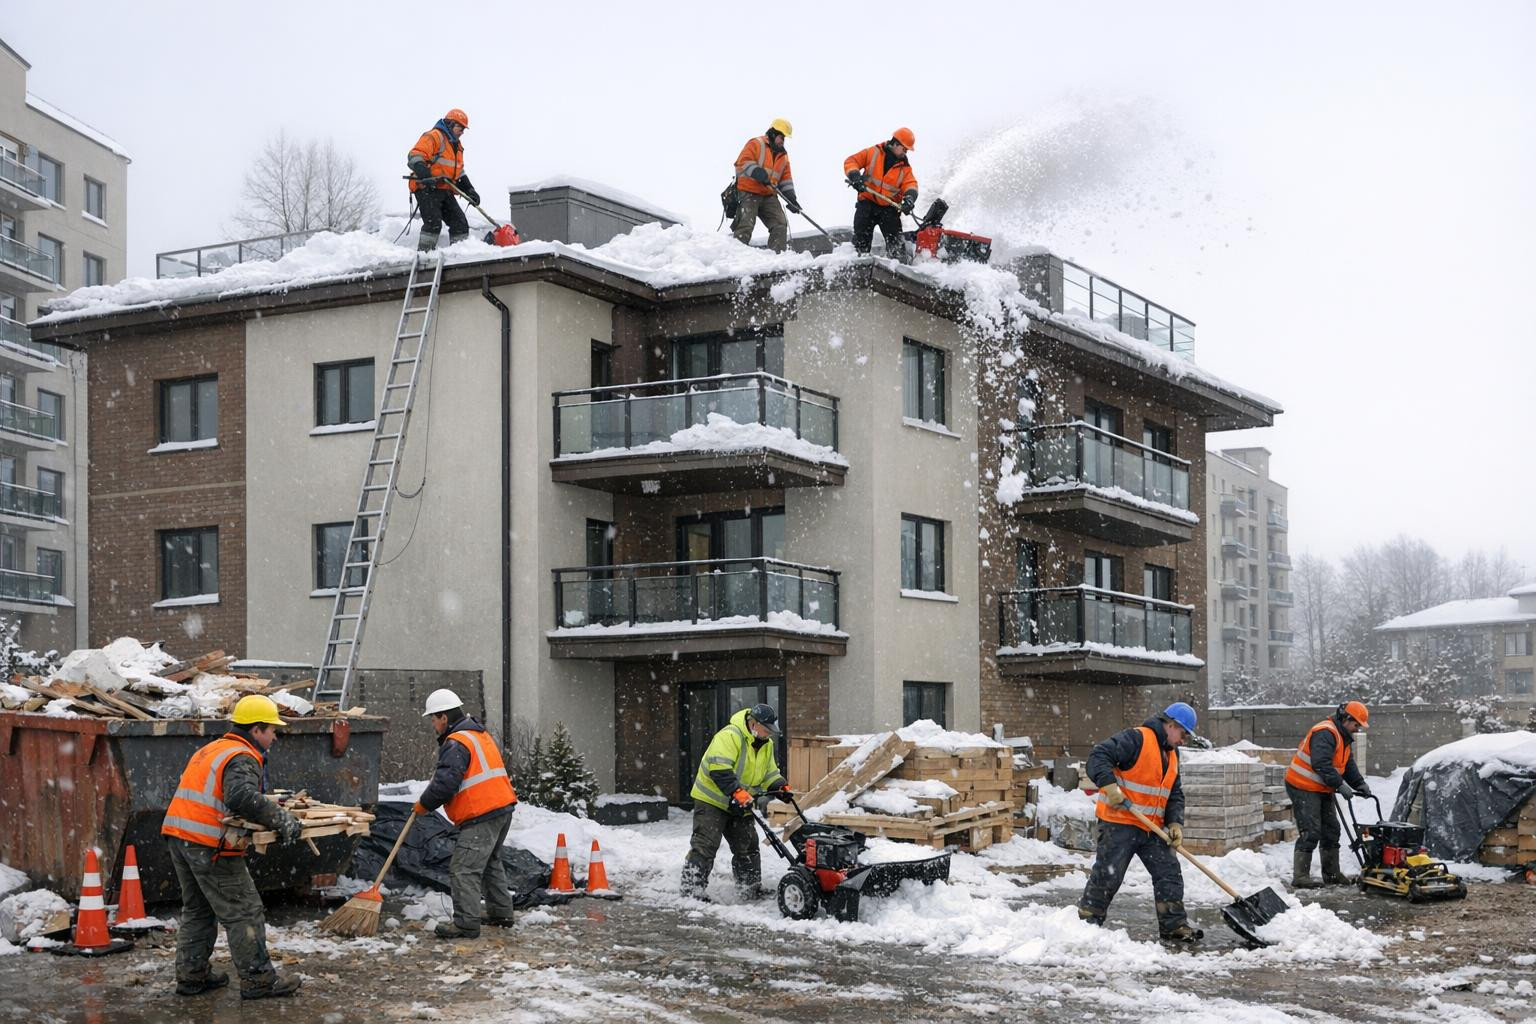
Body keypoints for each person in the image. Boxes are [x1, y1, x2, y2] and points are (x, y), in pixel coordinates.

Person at [160, 695, 305, 999]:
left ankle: (191, 976)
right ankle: (258, 981)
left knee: (198, 910)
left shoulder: (214, 748)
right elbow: (239, 797)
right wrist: (281, 819)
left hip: (180, 836)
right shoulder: (242, 755)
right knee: (244, 912)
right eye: (272, 729)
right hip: (208, 844)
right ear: (256, 730)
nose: (276, 736)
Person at [1077, 702, 1203, 943]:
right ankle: (1087, 922)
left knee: (1169, 873)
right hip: (1119, 822)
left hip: (1150, 827)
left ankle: (1174, 925)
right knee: (1108, 875)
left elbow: (1174, 792)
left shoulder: (1171, 754)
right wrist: (1109, 785)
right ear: (1170, 725)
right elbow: (1098, 756)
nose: (1184, 740)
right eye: (1183, 733)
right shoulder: (1136, 739)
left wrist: (1175, 822)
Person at [413, 688, 519, 938]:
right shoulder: (478, 735)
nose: (433, 724)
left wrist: (424, 805)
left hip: (481, 813)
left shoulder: (457, 742)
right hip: (501, 809)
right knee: (490, 863)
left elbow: (445, 784)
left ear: (444, 718)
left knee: (463, 869)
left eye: (433, 718)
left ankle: (466, 924)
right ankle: (501, 912)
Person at [680, 703, 791, 901]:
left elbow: (769, 773)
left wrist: (780, 787)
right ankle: (692, 890)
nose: (769, 735)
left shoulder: (766, 744)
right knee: (705, 844)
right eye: (766, 730)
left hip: (740, 801)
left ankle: (750, 888)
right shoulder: (730, 735)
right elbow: (719, 769)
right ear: (754, 724)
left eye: (771, 731)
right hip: (712, 800)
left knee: (747, 845)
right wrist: (737, 792)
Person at [1285, 700, 1372, 888]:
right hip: (1302, 785)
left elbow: (1346, 764)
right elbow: (1321, 764)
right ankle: (1300, 877)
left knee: (1332, 830)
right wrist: (1340, 785)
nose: (1358, 729)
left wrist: (1359, 783)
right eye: (1356, 725)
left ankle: (1332, 875)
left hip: (1321, 787)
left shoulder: (1343, 736)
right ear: (1346, 719)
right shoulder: (1325, 732)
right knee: (1311, 830)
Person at [407, 108, 479, 251]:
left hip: (445, 189)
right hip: (427, 188)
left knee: (460, 223)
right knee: (433, 223)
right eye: (460, 127)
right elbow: (414, 155)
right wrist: (424, 173)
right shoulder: (434, 136)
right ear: (450, 123)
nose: (462, 132)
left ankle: (458, 256)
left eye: (464, 129)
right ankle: (424, 257)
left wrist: (470, 189)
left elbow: (459, 172)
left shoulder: (457, 147)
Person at [843, 127, 918, 259]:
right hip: (866, 205)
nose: (905, 152)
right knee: (860, 245)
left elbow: (911, 185)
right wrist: (855, 176)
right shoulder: (873, 152)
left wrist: (909, 199)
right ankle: (860, 269)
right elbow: (851, 161)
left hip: (889, 210)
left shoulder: (905, 169)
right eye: (904, 149)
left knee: (897, 249)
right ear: (895, 143)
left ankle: (898, 272)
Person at [731, 119, 800, 253]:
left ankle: (776, 256)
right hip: (748, 192)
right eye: (781, 137)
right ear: (774, 134)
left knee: (780, 224)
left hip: (768, 195)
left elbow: (786, 179)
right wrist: (757, 172)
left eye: (784, 138)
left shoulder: (783, 156)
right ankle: (735, 256)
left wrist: (791, 198)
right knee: (746, 224)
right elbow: (743, 161)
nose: (782, 141)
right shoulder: (756, 144)